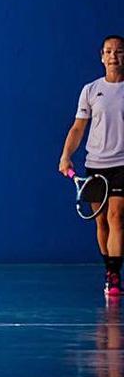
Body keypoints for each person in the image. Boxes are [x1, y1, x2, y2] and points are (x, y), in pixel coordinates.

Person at [59, 34, 124, 297]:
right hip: (95, 165)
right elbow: (78, 128)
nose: (113, 56)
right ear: (101, 57)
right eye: (109, 51)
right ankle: (108, 268)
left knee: (117, 217)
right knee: (102, 224)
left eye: (119, 51)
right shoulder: (90, 90)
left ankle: (115, 275)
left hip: (122, 164)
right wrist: (65, 156)